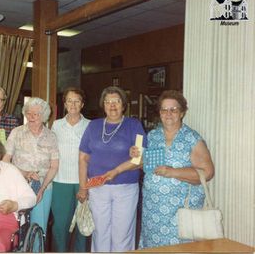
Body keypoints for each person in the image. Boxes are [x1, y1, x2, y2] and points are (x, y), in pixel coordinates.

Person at [137, 90, 214, 248]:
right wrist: (137, 156)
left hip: (180, 213)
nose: (168, 113)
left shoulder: (192, 138)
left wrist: (172, 172)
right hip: (152, 211)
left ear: (182, 113)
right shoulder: (152, 136)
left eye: (174, 109)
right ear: (159, 113)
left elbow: (207, 172)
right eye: (164, 109)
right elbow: (144, 165)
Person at [77, 86, 146, 252]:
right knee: (100, 232)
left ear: (124, 105)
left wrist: (116, 171)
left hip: (125, 187)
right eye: (108, 102)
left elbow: (139, 159)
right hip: (97, 186)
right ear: (103, 105)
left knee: (122, 234)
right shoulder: (93, 126)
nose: (112, 105)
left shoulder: (134, 125)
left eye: (116, 101)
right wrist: (82, 187)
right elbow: (83, 158)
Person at [3, 97, 59, 234]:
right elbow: (5, 160)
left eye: (36, 114)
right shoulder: (17, 132)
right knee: (17, 226)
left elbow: (54, 166)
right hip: (18, 183)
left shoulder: (51, 136)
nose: (32, 117)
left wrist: (42, 188)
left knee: (39, 228)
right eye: (29, 113)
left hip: (43, 185)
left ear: (44, 116)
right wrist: (25, 173)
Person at [51, 87, 90, 252]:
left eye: (77, 101)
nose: (73, 104)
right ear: (64, 104)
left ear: (82, 104)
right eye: (69, 101)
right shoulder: (56, 125)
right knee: (60, 225)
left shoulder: (91, 125)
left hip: (84, 182)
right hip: (61, 181)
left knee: (83, 225)